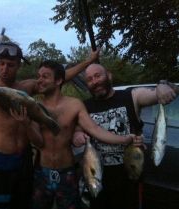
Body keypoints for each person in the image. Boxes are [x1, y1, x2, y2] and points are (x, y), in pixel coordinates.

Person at [0, 20, 100, 209]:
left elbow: (60, 78)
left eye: (10, 64)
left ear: (18, 65)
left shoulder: (27, 87)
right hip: (0, 163)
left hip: (26, 161)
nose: (4, 68)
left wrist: (89, 61)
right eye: (1, 63)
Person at [32, 60, 138, 209]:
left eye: (45, 76)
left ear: (58, 80)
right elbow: (37, 143)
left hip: (67, 172)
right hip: (42, 171)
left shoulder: (74, 104)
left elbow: (94, 129)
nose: (39, 80)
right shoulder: (35, 106)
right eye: (39, 76)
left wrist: (124, 139)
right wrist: (26, 123)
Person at [74, 63, 178, 209]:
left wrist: (162, 85)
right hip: (98, 178)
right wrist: (77, 135)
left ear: (109, 75)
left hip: (129, 177)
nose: (94, 81)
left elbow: (158, 93)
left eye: (98, 75)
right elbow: (77, 130)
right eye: (89, 79)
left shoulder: (132, 96)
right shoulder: (84, 106)